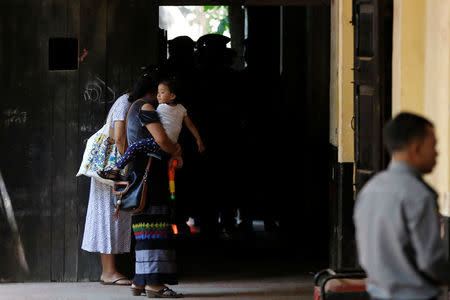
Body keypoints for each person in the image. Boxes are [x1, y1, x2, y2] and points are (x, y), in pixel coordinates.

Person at [354, 112, 450, 300]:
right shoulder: (419, 195)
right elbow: (430, 261)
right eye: (434, 146)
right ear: (416, 148)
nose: (437, 153)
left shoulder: (370, 190)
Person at [125, 72, 183, 298]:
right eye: (159, 91)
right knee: (155, 227)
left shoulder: (133, 108)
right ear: (152, 91)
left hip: (140, 174)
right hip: (151, 173)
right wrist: (176, 150)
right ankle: (155, 284)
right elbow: (161, 140)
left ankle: (140, 280)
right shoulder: (146, 109)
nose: (161, 97)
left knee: (144, 228)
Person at [98, 79, 204, 180]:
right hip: (171, 143)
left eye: (162, 92)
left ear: (172, 96)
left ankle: (116, 169)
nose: (158, 95)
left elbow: (158, 132)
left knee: (134, 146)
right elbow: (190, 125)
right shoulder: (181, 109)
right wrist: (198, 140)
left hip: (158, 144)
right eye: (157, 92)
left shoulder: (159, 108)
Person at [81, 91, 133, 285]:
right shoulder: (126, 102)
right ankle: (108, 272)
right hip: (112, 170)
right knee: (109, 215)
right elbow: (119, 138)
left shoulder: (126, 101)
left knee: (110, 215)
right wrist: (127, 162)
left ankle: (109, 271)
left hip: (110, 169)